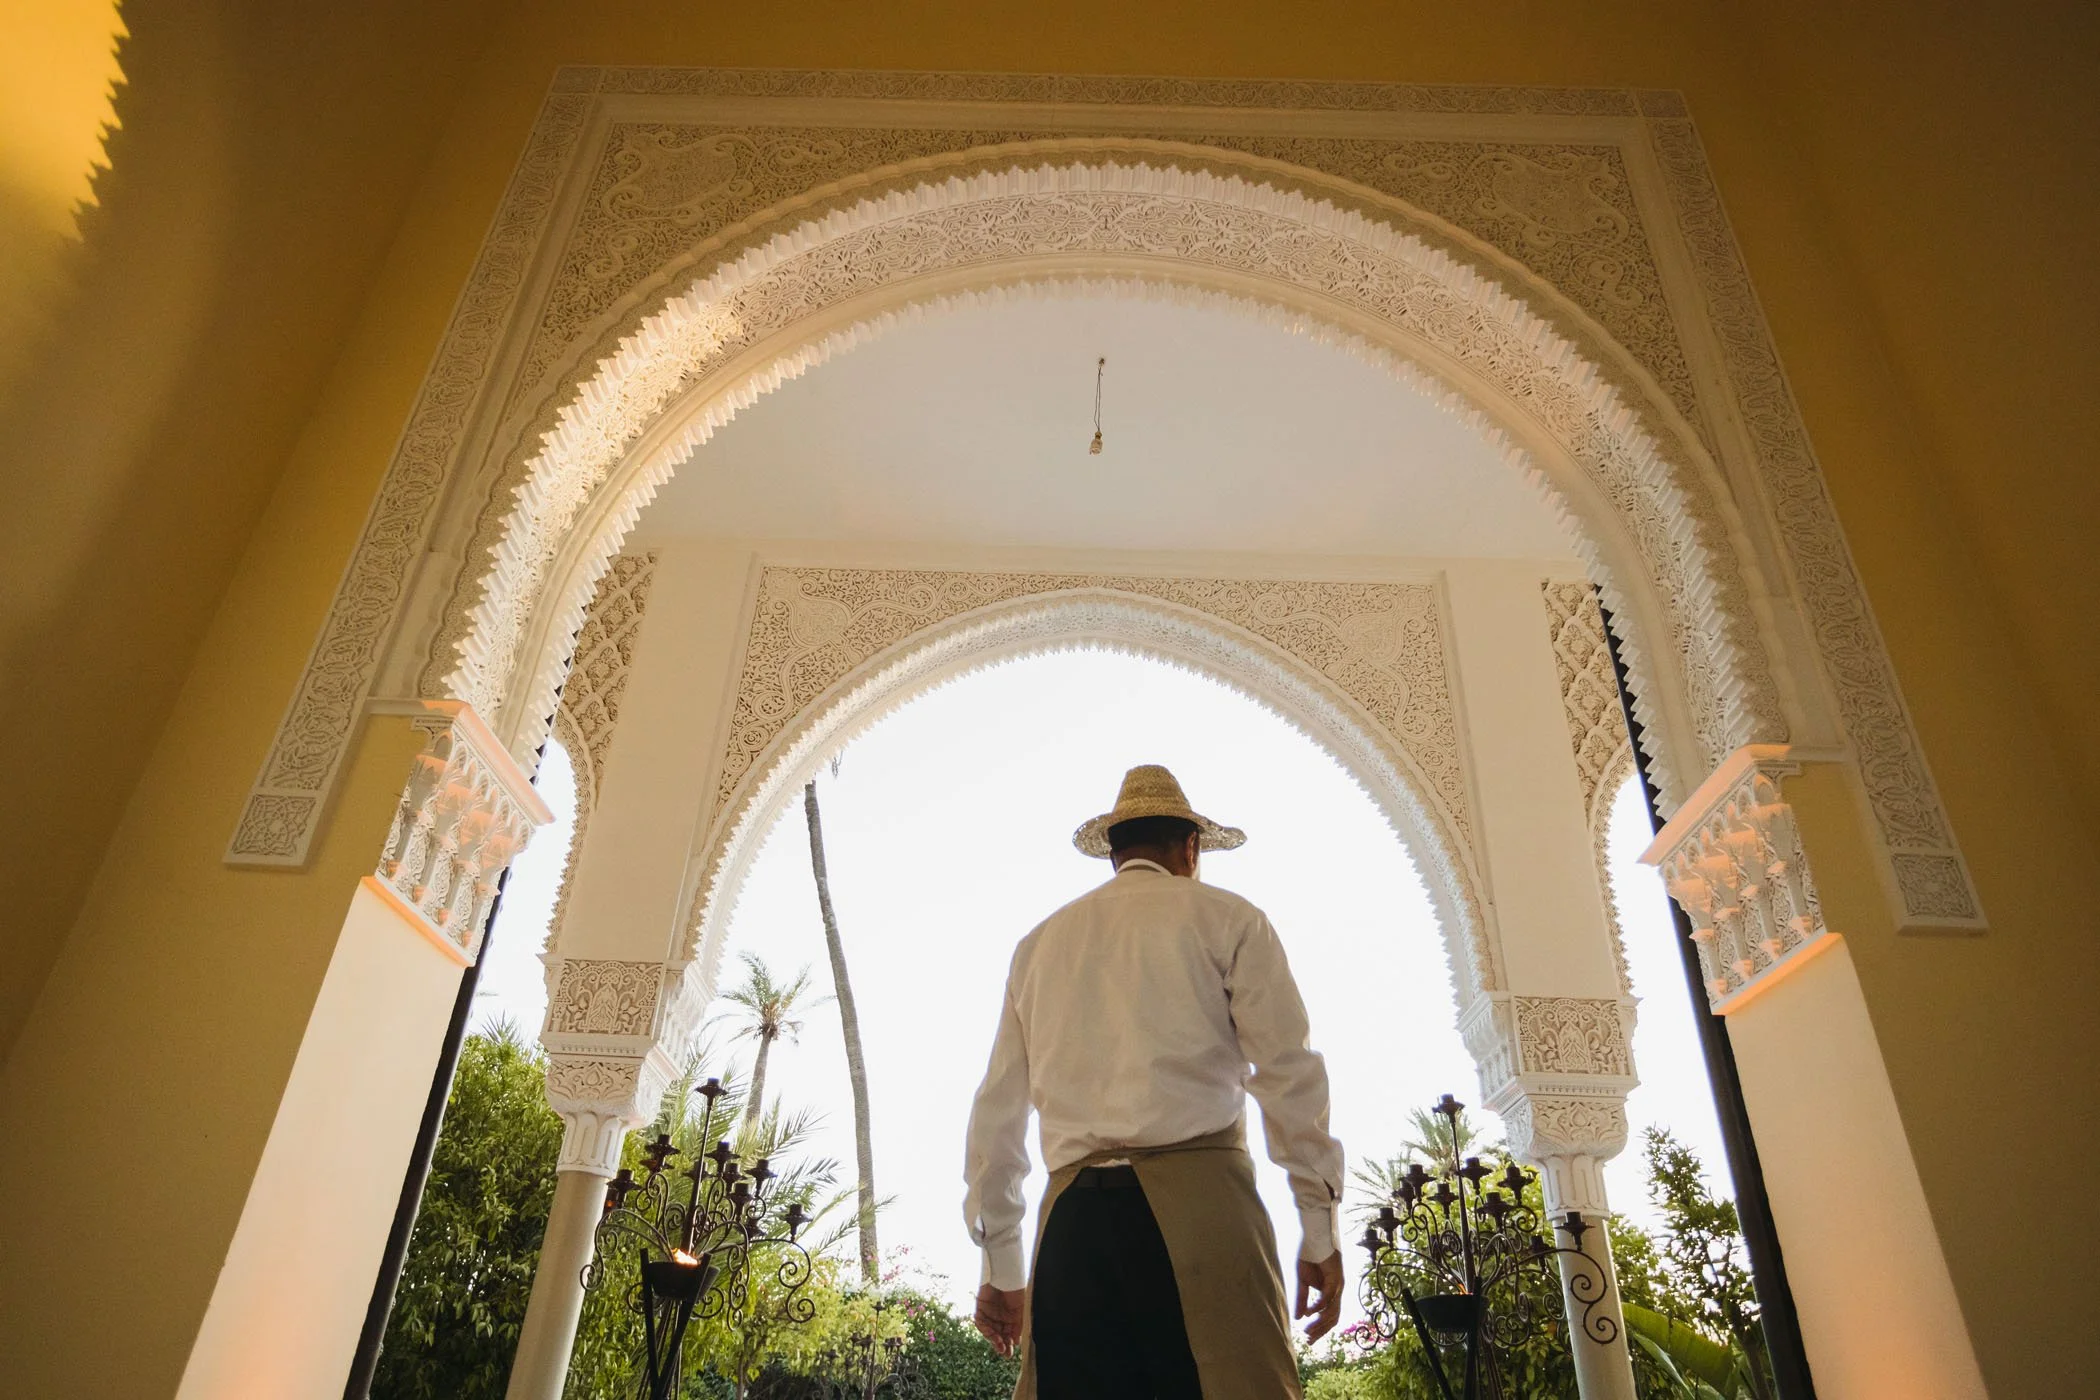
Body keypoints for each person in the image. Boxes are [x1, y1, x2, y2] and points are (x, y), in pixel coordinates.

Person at [962, 764, 1346, 1399]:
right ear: (1191, 849)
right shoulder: (1230, 919)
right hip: (1203, 1212)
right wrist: (1320, 1226)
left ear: (1114, 853)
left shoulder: (1039, 946)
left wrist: (1002, 1265)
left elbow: (997, 1110)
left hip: (1073, 1227)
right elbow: (1288, 1074)